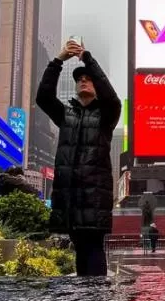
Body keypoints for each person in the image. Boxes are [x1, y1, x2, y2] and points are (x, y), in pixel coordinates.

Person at [36, 39, 121, 276]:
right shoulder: (66, 114)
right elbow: (43, 97)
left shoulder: (106, 116)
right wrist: (58, 60)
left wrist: (87, 58)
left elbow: (112, 97)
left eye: (88, 78)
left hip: (93, 200)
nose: (83, 81)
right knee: (81, 252)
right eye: (79, 80)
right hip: (70, 199)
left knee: (93, 251)